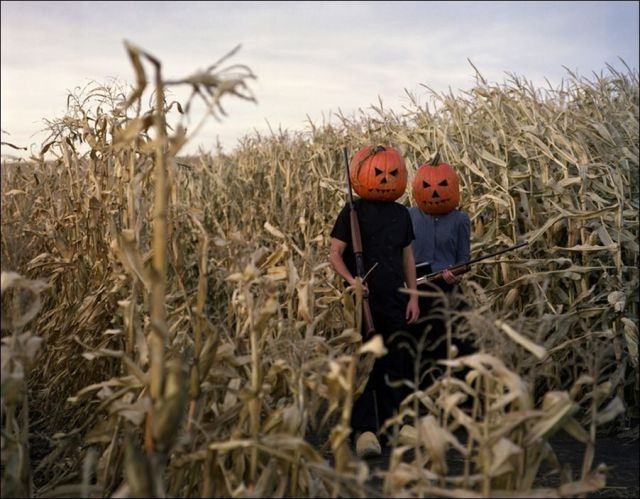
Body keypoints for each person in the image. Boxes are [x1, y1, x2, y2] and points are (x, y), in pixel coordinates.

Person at [329, 145, 419, 458]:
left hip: (395, 298)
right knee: (364, 366)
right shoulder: (352, 211)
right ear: (360, 174)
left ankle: (397, 426)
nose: (384, 179)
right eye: (378, 173)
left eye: (392, 174)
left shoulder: (401, 214)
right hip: (363, 302)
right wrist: (352, 281)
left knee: (395, 361)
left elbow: (407, 256)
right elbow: (335, 254)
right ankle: (365, 431)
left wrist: (413, 295)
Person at [408, 158, 472, 388]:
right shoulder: (409, 216)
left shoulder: (460, 220)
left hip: (447, 290)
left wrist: (455, 273)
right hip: (416, 290)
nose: (434, 192)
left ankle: (456, 392)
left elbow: (464, 259)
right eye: (426, 186)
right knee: (420, 345)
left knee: (458, 342)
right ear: (417, 189)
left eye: (442, 185)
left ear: (453, 188)